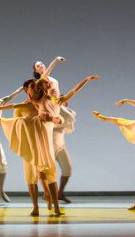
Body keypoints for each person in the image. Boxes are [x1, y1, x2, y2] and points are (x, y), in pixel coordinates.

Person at [0, 78, 64, 216]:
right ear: (26, 90)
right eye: (33, 86)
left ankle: (55, 204)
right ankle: (35, 207)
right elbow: (7, 122)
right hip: (30, 147)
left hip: (44, 145)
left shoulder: (43, 103)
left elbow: (56, 118)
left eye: (36, 86)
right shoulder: (21, 107)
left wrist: (52, 118)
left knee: (50, 175)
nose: (36, 88)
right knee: (31, 178)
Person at [49, 75, 100, 203]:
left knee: (67, 169)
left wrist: (86, 80)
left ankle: (60, 193)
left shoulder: (67, 110)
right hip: (51, 141)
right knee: (49, 170)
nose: (65, 102)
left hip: (61, 143)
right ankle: (50, 194)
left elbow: (74, 91)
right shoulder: (52, 105)